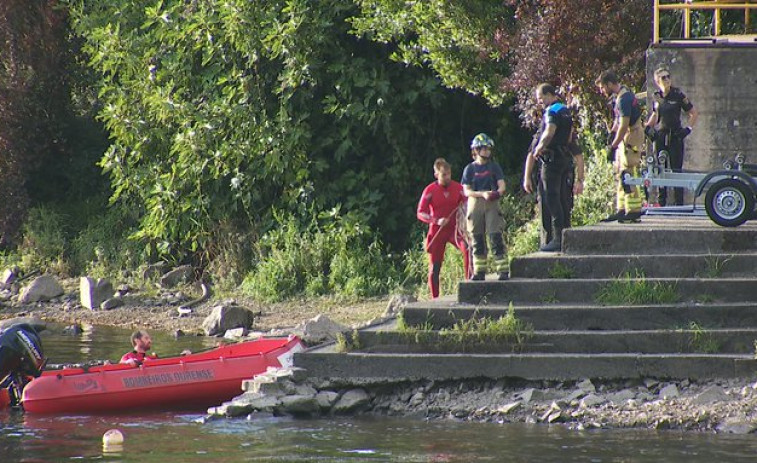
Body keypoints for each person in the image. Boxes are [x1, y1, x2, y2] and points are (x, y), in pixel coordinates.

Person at [522, 84, 585, 252]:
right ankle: (567, 234)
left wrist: (538, 149)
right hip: (565, 159)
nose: (540, 102)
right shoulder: (566, 111)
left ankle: (557, 238)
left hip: (552, 161)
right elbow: (571, 137)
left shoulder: (552, 111)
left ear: (550, 95)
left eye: (541, 98)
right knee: (564, 198)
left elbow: (549, 132)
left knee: (551, 197)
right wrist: (580, 178)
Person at [416, 158, 471, 298]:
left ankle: (469, 287)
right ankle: (435, 297)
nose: (447, 177)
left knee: (468, 249)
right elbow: (420, 212)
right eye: (443, 175)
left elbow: (467, 204)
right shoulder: (430, 190)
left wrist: (463, 215)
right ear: (436, 175)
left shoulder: (458, 188)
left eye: (449, 174)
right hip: (437, 230)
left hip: (455, 229)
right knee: (435, 267)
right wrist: (436, 220)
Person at [596, 70, 645, 223]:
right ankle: (622, 209)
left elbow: (624, 125)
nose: (602, 91)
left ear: (610, 84)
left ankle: (634, 210)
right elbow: (618, 123)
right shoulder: (619, 97)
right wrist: (612, 135)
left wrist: (613, 146)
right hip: (625, 137)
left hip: (631, 136)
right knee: (620, 172)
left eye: (603, 88)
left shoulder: (624, 99)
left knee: (628, 171)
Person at [645, 67, 698, 206]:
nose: (667, 79)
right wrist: (647, 127)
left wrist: (688, 129)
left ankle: (678, 203)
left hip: (675, 135)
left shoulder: (678, 94)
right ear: (657, 81)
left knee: (676, 169)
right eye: (663, 77)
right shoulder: (656, 96)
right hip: (661, 136)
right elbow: (656, 115)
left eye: (668, 76)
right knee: (660, 168)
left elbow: (694, 113)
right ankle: (661, 202)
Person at [461, 133, 508, 280]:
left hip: (492, 202)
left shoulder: (494, 167)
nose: (487, 151)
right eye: (484, 148)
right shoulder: (469, 169)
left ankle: (502, 270)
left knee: (495, 235)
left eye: (488, 148)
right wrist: (482, 194)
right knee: (477, 237)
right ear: (476, 150)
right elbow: (466, 190)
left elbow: (502, 186)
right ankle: (479, 271)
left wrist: (496, 193)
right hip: (475, 203)